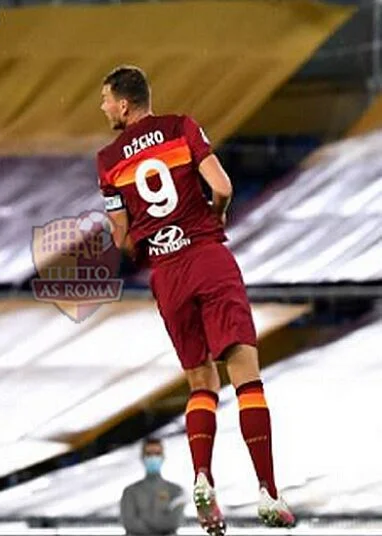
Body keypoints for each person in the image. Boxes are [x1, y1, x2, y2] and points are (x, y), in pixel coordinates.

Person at [96, 66, 295, 536]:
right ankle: (267, 490)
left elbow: (122, 240)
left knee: (199, 381)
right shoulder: (182, 127)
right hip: (207, 256)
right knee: (245, 375)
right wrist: (215, 213)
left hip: (167, 276)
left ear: (124, 104)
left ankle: (203, 477)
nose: (103, 108)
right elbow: (221, 186)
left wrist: (146, 239)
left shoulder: (107, 161)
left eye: (105, 100)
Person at [120, 437, 185, 536]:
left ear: (163, 456)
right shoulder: (130, 492)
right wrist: (161, 523)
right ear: (142, 457)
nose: (153, 457)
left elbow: (174, 523)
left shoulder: (176, 491)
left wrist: (143, 518)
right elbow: (129, 523)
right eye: (149, 454)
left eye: (157, 453)